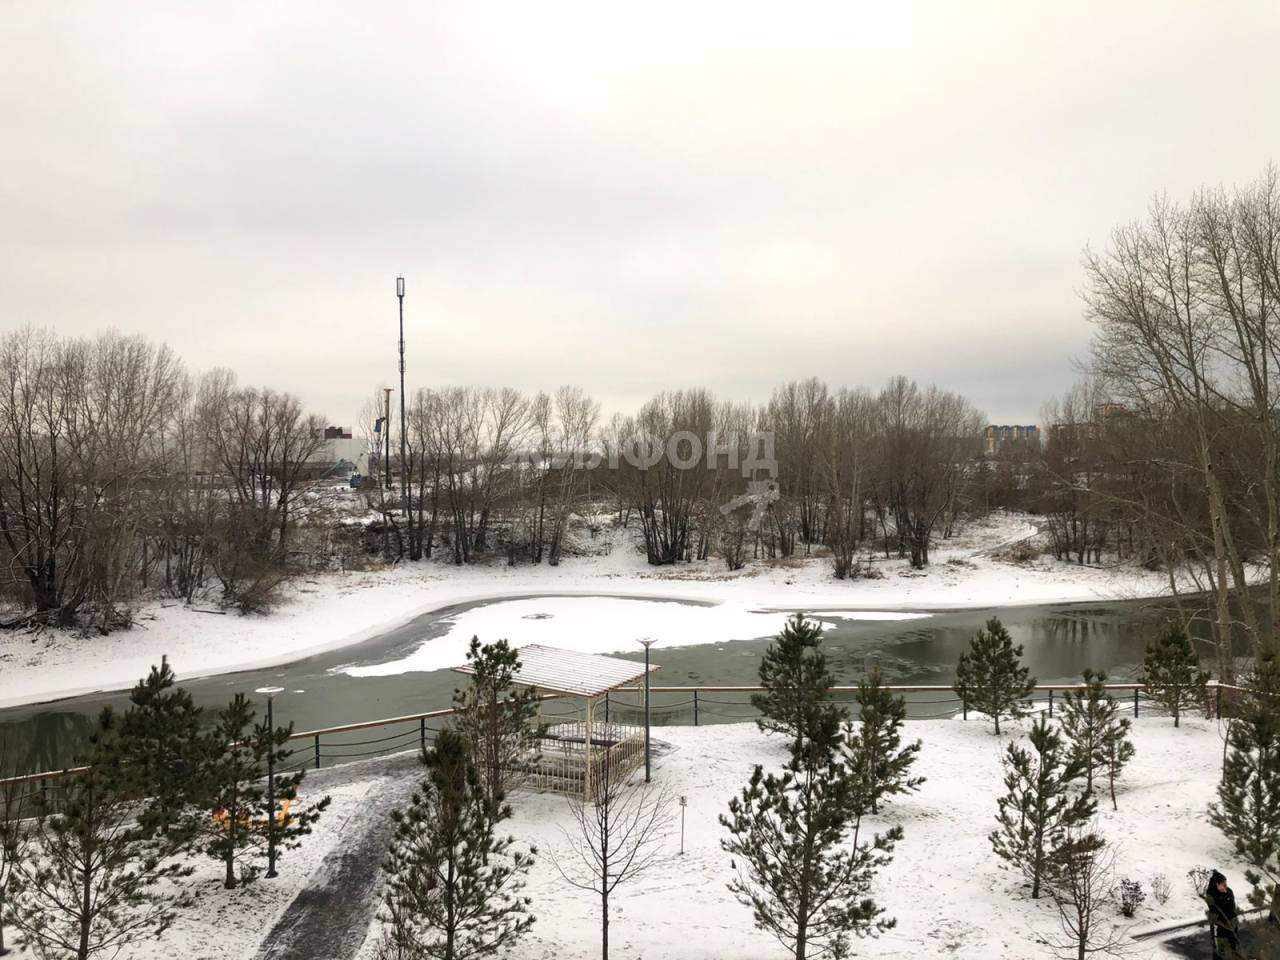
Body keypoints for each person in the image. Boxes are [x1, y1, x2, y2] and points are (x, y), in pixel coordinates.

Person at [1204, 869, 1241, 959]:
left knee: (1233, 946)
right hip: (1220, 925)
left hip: (1232, 922)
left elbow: (1232, 908)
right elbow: (1214, 910)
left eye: (1226, 883)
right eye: (1223, 884)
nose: (1225, 886)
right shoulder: (1211, 894)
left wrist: (1225, 896)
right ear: (1216, 884)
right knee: (1220, 949)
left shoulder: (1229, 892)